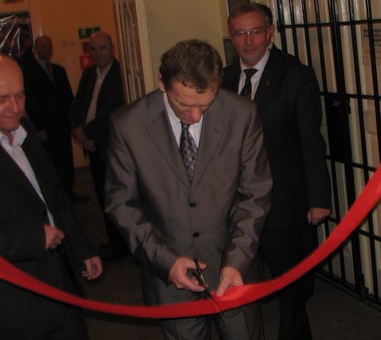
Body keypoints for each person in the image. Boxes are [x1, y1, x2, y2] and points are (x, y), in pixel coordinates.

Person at [105, 39, 272, 340]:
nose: (194, 116)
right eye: (183, 104)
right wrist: (165, 261)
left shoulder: (241, 114)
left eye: (205, 105)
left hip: (232, 268)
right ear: (162, 82)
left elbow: (255, 194)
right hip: (171, 279)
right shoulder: (128, 125)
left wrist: (237, 261)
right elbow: (122, 205)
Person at [222, 3, 332, 340]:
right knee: (240, 283)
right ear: (231, 37)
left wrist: (318, 198)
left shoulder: (296, 75)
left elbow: (310, 139)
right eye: (240, 33)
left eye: (256, 31)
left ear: (270, 32)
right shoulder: (222, 79)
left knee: (290, 287)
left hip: (283, 199)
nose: (248, 41)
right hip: (233, 202)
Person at [0, 53, 103, 340]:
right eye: (1, 99)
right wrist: (35, 238)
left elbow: (54, 195)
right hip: (16, 302)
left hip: (61, 287)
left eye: (20, 95)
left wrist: (82, 248)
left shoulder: (25, 130)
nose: (15, 108)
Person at [71, 31, 127, 260]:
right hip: (91, 144)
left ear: (112, 48)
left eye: (102, 48)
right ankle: (113, 241)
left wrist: (86, 132)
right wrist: (78, 131)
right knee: (101, 196)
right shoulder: (88, 74)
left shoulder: (120, 73)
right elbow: (77, 104)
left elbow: (112, 110)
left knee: (116, 196)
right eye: (93, 49)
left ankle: (122, 245)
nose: (97, 54)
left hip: (109, 145)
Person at [20, 35, 84, 201]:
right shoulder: (30, 72)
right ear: (36, 49)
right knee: (52, 161)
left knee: (66, 160)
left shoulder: (58, 70)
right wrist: (38, 128)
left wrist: (73, 122)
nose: (47, 50)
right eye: (43, 47)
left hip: (62, 124)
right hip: (46, 128)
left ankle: (69, 191)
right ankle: (57, 195)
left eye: (49, 47)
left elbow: (68, 97)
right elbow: (31, 103)